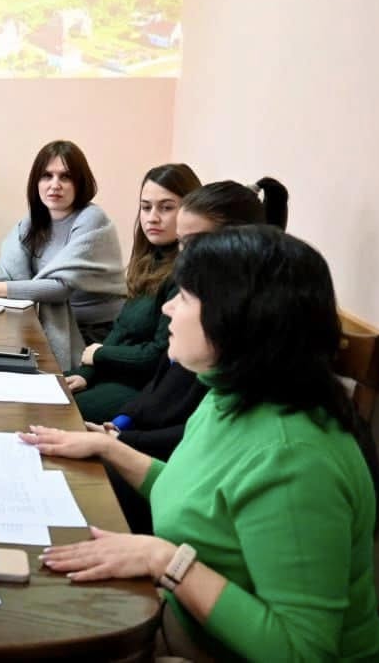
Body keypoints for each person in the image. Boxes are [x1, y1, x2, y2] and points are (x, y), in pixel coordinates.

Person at [22, 227, 379, 662]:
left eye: (186, 297)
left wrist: (166, 561)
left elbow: (302, 652)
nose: (169, 308)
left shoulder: (294, 459)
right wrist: (108, 448)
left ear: (236, 318)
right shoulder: (227, 396)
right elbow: (197, 495)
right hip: (189, 629)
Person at [96, 176, 290, 533]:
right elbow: (179, 483)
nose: (169, 307)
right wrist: (114, 438)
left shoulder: (285, 448)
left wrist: (167, 565)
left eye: (193, 243)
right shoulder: (218, 378)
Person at [0, 140, 124, 371]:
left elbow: (60, 288)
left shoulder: (92, 219)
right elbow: (9, 270)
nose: (55, 185)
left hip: (94, 333)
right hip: (48, 321)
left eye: (65, 177)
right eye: (46, 176)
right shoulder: (34, 220)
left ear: (79, 182)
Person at [67, 163, 202, 423]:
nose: (152, 217)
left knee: (60, 413)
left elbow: (159, 355)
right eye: (146, 206)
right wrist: (87, 372)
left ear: (188, 211)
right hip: (113, 372)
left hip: (143, 386)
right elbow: (121, 329)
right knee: (45, 389)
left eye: (166, 207)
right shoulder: (148, 259)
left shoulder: (185, 272)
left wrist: (99, 354)